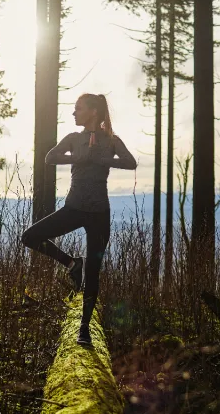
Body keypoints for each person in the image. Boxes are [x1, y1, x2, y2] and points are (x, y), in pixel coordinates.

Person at [21, 93, 137, 345]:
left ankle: (84, 329)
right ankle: (72, 262)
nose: (74, 113)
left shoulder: (111, 140)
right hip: (73, 208)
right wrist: (78, 158)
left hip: (99, 213)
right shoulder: (73, 138)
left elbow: (131, 162)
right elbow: (50, 157)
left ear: (93, 112)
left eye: (78, 109)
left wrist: (102, 159)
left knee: (94, 273)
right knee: (29, 237)